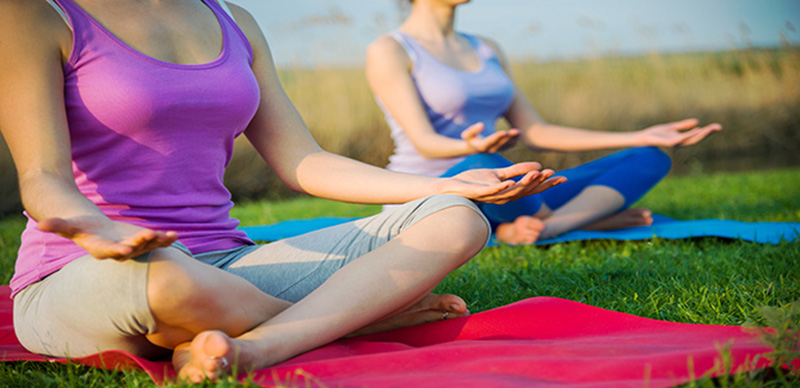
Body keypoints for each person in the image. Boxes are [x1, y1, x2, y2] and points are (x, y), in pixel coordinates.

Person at [0, 0, 564, 383]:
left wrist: (445, 183)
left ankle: (261, 346)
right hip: (84, 270)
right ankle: (358, 317)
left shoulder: (233, 19)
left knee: (457, 218)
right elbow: (41, 179)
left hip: (227, 266)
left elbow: (304, 160)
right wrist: (96, 228)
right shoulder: (35, 15)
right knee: (169, 275)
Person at [366, 0, 723, 245]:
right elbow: (425, 141)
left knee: (649, 156)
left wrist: (641, 134)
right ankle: (581, 219)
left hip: (507, 189)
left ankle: (550, 226)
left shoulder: (485, 47)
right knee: (487, 165)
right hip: (433, 191)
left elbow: (536, 131)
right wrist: (470, 147)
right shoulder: (391, 49)